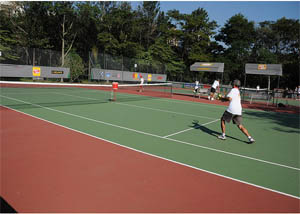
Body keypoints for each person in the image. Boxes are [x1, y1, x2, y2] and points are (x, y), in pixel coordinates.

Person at [218, 79, 255, 144]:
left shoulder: (233, 90)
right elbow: (231, 99)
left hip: (232, 109)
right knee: (240, 125)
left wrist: (222, 98)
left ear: (234, 84)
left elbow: (229, 98)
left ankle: (223, 135)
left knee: (222, 119)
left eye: (233, 83)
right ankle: (250, 138)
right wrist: (224, 99)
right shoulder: (238, 91)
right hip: (238, 110)